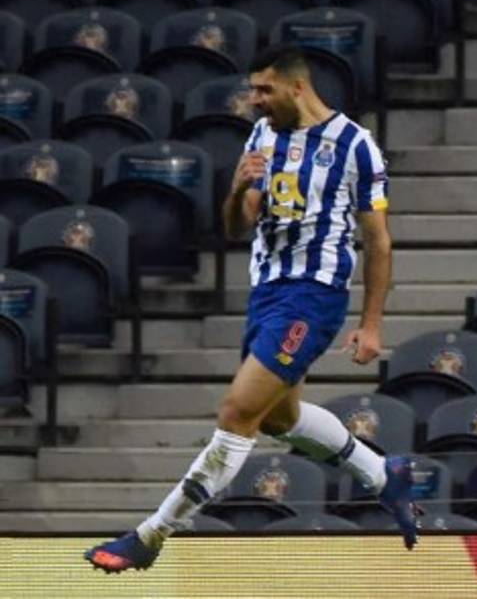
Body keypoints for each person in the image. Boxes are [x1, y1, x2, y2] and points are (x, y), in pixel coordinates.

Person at [85, 45, 418, 572]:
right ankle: (384, 474)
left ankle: (153, 533)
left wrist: (371, 325)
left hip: (314, 293)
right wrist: (238, 186)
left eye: (264, 90)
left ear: (297, 87)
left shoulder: (356, 146)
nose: (254, 100)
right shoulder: (262, 135)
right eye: (253, 89)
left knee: (239, 412)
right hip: (266, 292)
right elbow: (236, 227)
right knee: (280, 419)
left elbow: (378, 242)